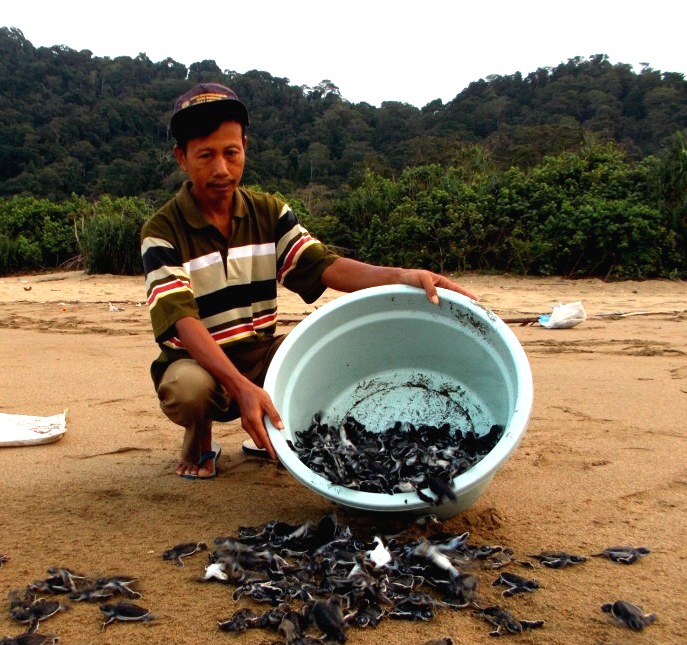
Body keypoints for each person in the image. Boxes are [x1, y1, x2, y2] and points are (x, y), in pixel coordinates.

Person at [141, 83, 475, 480]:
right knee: (189, 389)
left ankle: (273, 431)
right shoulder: (161, 230)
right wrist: (241, 388)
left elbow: (325, 266)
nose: (222, 170)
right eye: (205, 155)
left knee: (328, 355)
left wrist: (401, 276)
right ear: (182, 157)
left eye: (231, 153)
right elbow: (183, 321)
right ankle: (200, 439)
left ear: (245, 147)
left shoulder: (269, 212)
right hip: (198, 363)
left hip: (261, 356)